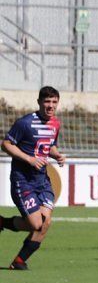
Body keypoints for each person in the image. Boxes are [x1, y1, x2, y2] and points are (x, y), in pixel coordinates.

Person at [0, 86, 66, 270]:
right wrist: (29, 159)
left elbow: (48, 146)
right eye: (47, 101)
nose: (50, 106)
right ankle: (2, 222)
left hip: (42, 181)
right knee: (35, 223)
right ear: (39, 102)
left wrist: (57, 155)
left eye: (54, 102)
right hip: (23, 181)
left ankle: (19, 261)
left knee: (45, 223)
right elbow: (6, 144)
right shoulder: (25, 123)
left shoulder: (55, 124)